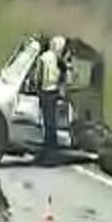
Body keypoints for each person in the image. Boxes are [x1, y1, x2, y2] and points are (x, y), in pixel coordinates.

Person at [35, 35, 67, 164]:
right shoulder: (58, 60)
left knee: (46, 121)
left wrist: (37, 89)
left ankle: (47, 150)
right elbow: (63, 76)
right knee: (51, 122)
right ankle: (51, 150)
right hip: (53, 92)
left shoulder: (43, 58)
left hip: (44, 91)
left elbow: (38, 75)